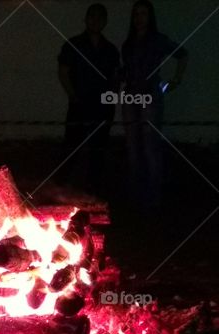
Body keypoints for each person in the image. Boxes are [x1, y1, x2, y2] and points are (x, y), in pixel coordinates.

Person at [121, 0, 187, 211]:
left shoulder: (158, 40)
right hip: (131, 96)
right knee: (133, 147)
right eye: (136, 14)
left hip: (150, 94)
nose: (139, 18)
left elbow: (182, 53)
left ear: (150, 17)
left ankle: (152, 197)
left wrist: (176, 80)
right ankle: (136, 195)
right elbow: (127, 70)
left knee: (150, 146)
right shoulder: (129, 43)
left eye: (143, 14)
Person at [58, 3, 120, 193]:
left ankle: (93, 191)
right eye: (92, 16)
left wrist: (111, 99)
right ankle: (62, 190)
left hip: (103, 107)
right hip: (79, 105)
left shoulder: (111, 49)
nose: (95, 20)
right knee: (71, 147)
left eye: (100, 17)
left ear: (105, 21)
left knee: (98, 150)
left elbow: (115, 77)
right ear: (86, 19)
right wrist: (73, 96)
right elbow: (63, 72)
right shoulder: (73, 44)